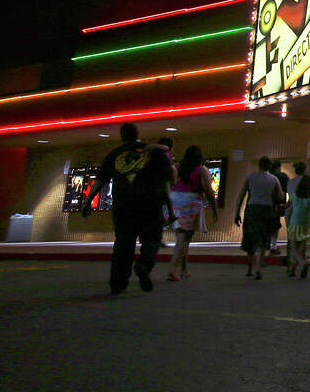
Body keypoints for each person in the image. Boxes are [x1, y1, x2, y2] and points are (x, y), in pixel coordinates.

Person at [80, 123, 171, 295]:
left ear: (122, 136)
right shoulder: (152, 151)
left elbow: (100, 180)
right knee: (152, 238)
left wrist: (87, 202)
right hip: (150, 203)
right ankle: (144, 265)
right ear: (138, 134)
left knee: (123, 244)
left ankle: (118, 283)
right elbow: (168, 173)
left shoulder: (113, 155)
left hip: (123, 206)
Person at [167, 145, 216, 281]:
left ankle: (184, 269)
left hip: (174, 200)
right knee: (183, 238)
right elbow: (209, 191)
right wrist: (214, 210)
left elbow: (171, 183)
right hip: (190, 202)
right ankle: (173, 269)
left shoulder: (179, 167)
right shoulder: (202, 169)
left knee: (185, 238)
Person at [234, 157, 285, 279]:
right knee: (263, 237)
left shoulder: (250, 177)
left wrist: (237, 214)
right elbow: (281, 196)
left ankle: (250, 268)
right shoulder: (274, 179)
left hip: (252, 208)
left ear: (259, 165)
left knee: (250, 237)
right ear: (269, 166)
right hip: (266, 209)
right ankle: (259, 268)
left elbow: (241, 195)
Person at [285, 161, 310, 277]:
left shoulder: (291, 182)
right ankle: (296, 267)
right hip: (306, 218)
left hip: (293, 216)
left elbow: (289, 200)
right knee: (301, 245)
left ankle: (296, 265)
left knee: (293, 244)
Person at [268, 160, 290, 255]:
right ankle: (273, 246)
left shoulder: (268, 177)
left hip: (267, 203)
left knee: (267, 224)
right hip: (279, 204)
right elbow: (288, 189)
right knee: (275, 225)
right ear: (279, 167)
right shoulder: (283, 176)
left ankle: (266, 245)